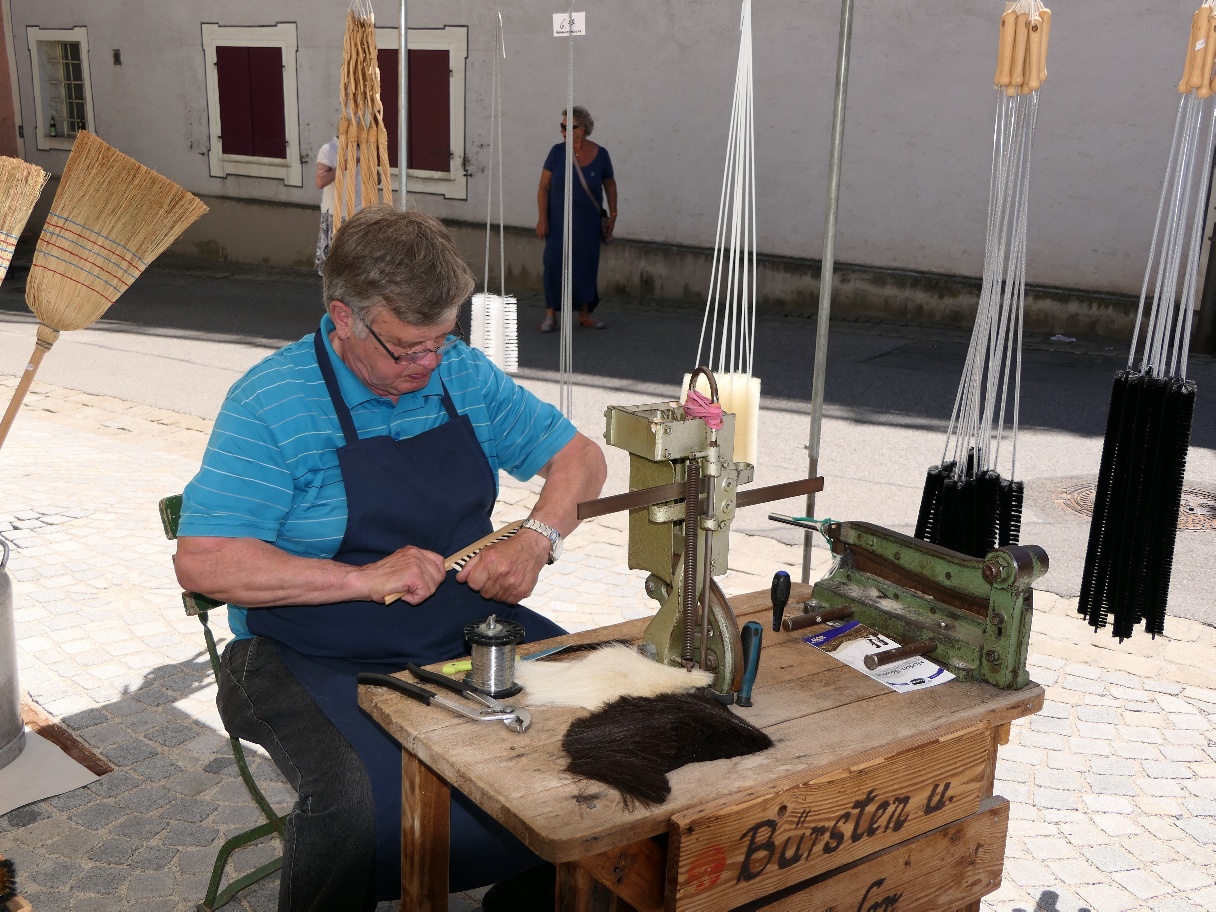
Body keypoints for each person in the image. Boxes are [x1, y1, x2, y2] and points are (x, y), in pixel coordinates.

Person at [174, 205, 607, 912]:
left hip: (461, 630)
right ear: (343, 317)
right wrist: (359, 577)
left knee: (606, 730)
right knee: (357, 803)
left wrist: (538, 538)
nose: (428, 365)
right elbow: (205, 561)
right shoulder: (271, 402)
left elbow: (580, 459)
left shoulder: (460, 374)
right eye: (407, 348)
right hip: (307, 651)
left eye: (441, 340)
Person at [536, 105, 617, 332]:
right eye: (561, 126)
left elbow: (610, 184)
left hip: (587, 223)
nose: (562, 130)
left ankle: (584, 314)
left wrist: (614, 213)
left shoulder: (601, 155)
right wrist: (542, 219)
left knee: (585, 265)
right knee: (553, 263)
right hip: (557, 222)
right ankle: (550, 315)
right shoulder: (556, 152)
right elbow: (543, 187)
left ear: (582, 129)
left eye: (567, 127)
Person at [314, 138, 338, 274]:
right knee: (335, 269)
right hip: (337, 215)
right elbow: (320, 182)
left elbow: (377, 179)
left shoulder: (364, 148)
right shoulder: (329, 149)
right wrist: (347, 163)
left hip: (361, 212)